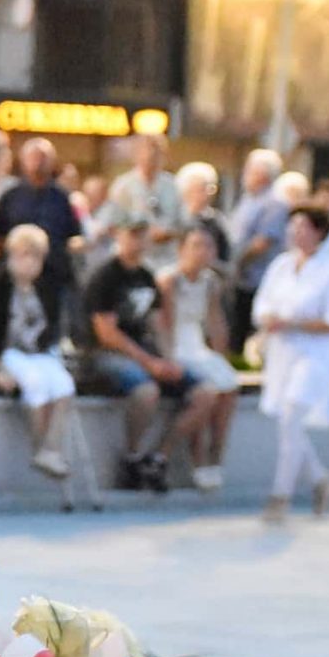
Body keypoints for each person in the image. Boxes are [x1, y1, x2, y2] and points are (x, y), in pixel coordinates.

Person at [252, 204, 329, 521]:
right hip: (283, 354)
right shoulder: (281, 265)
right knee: (288, 421)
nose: (296, 232)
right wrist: (271, 320)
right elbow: (263, 305)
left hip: (316, 355)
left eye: (304, 226)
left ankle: (280, 496)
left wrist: (294, 324)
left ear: (319, 232)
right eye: (293, 226)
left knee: (293, 416)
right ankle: (321, 479)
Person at [83, 218, 196, 493]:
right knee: (146, 392)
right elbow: (107, 334)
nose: (137, 241)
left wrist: (169, 359)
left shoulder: (147, 276)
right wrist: (149, 363)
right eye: (132, 235)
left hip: (145, 353)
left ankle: (159, 457)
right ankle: (132, 458)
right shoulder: (105, 276)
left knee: (203, 392)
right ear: (119, 236)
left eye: (142, 235)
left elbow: (157, 324)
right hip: (106, 354)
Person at [0, 224, 79, 481]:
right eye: (23, 254)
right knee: (35, 384)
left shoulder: (47, 287)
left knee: (63, 386)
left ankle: (51, 448)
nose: (29, 262)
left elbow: (51, 328)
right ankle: (39, 447)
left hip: (40, 352)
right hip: (10, 352)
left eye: (36, 256)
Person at [158, 224, 239, 492]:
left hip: (196, 345)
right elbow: (165, 324)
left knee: (229, 387)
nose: (202, 252)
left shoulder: (210, 282)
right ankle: (198, 459)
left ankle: (216, 454)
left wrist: (222, 356)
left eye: (208, 246)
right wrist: (169, 359)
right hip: (175, 348)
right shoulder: (169, 280)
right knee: (208, 394)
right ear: (182, 250)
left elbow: (215, 322)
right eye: (196, 245)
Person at [0, 138, 85, 297]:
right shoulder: (10, 196)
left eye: (43, 158)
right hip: (15, 275)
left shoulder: (62, 198)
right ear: (23, 161)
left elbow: (75, 235)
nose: (38, 163)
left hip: (53, 274)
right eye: (34, 157)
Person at [227, 147, 288, 353]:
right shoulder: (247, 200)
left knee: (251, 333)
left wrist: (237, 260)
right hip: (240, 279)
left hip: (258, 280)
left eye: (250, 170)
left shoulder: (274, 204)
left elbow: (263, 242)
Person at [105, 133, 182, 268]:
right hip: (133, 257)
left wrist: (167, 233)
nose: (151, 157)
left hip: (166, 258)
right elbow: (113, 224)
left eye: (157, 153)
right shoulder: (123, 186)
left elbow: (182, 223)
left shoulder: (173, 186)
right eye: (147, 151)